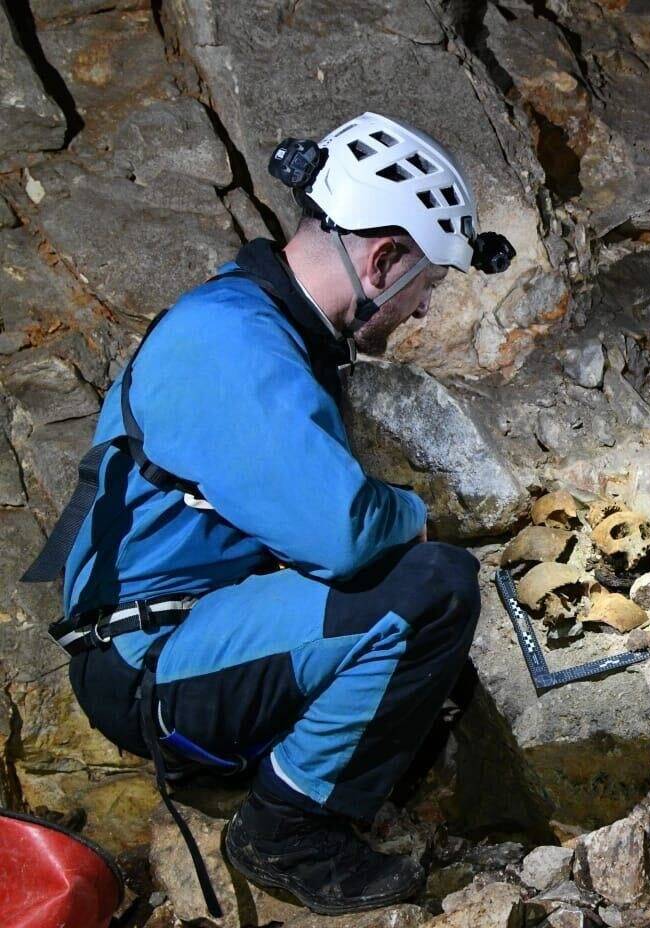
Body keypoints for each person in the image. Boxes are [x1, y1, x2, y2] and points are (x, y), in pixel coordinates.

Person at [22, 112, 514, 916]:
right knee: (434, 587)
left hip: (182, 628)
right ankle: (285, 832)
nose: (422, 310)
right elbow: (347, 535)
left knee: (428, 659)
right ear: (383, 261)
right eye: (426, 286)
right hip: (150, 664)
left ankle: (296, 775)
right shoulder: (236, 347)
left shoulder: (260, 323)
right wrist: (412, 514)